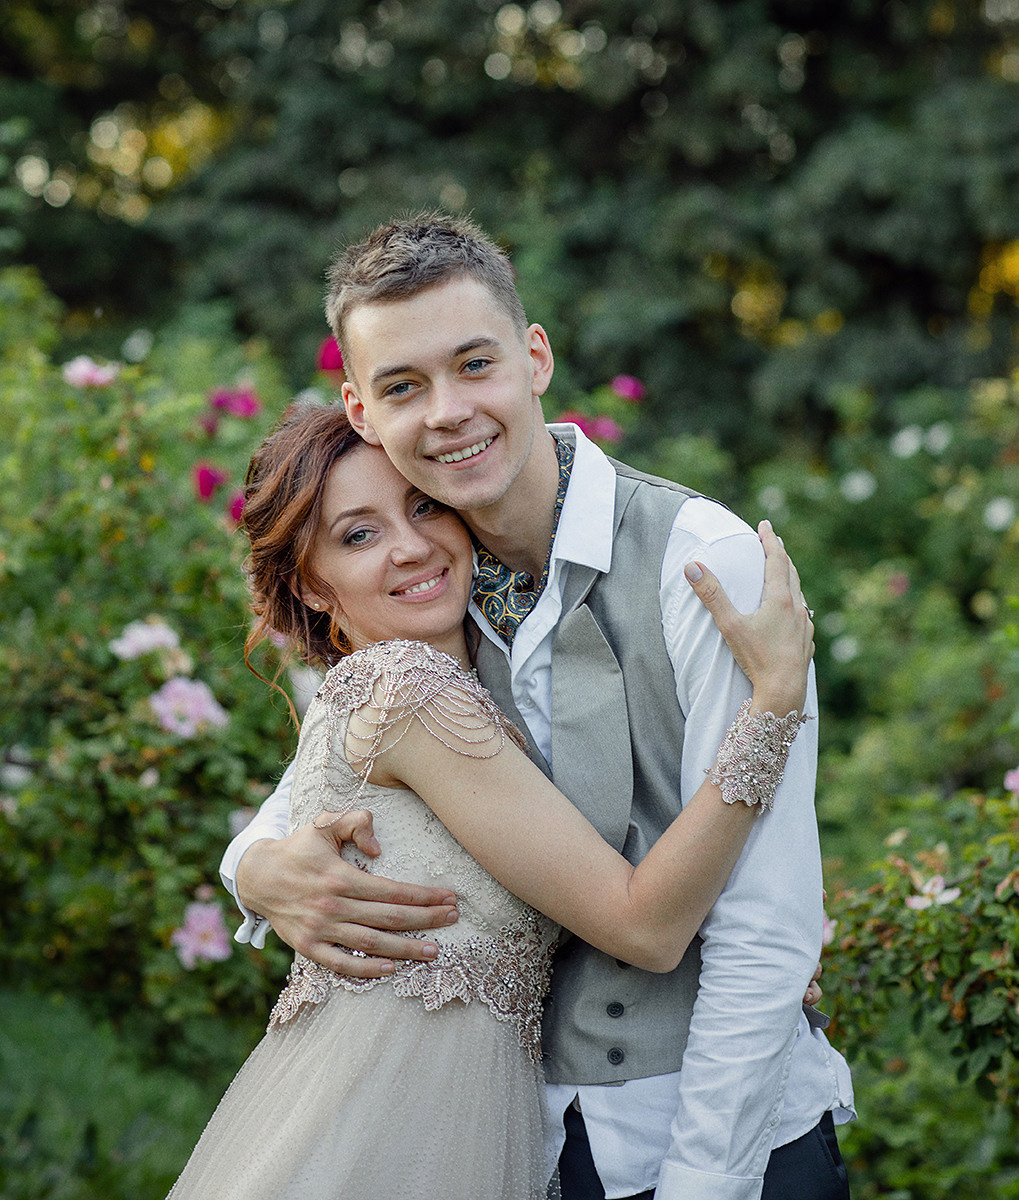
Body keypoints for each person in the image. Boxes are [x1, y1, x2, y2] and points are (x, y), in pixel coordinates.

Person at [221, 214, 855, 1200]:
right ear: (361, 406)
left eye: (473, 364)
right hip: (531, 1148)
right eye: (402, 387)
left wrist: (701, 1185)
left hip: (723, 1144)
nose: (447, 412)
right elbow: (334, 769)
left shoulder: (703, 564)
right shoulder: (423, 594)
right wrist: (255, 867)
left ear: (534, 358)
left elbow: (764, 932)